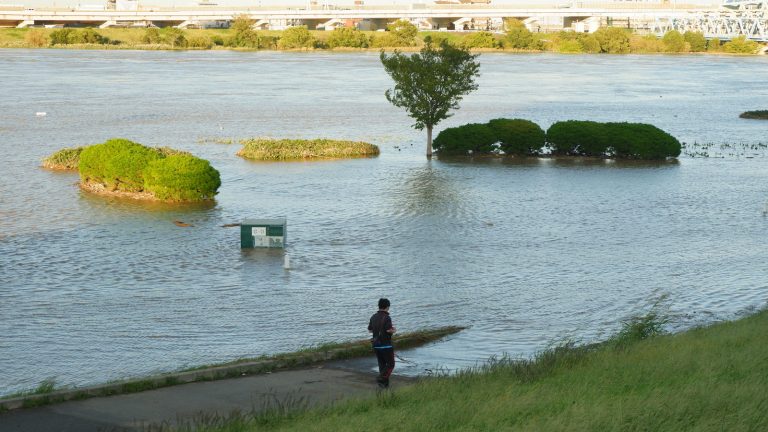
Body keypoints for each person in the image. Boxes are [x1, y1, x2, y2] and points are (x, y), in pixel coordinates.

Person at [368, 297, 396, 388]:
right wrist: (394, 330)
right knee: (391, 364)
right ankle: (381, 378)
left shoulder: (373, 316)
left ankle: (383, 385)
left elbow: (370, 330)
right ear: (387, 307)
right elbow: (388, 330)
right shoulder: (387, 317)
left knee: (382, 366)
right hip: (386, 345)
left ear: (379, 306)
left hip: (376, 345)